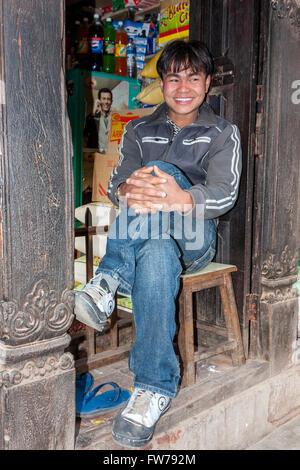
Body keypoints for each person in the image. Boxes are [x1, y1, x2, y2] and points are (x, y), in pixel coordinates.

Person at [75, 40, 242, 448]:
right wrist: (136, 189)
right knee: (157, 254)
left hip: (195, 235)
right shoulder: (137, 128)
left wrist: (180, 197)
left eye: (193, 77)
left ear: (206, 85)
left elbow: (225, 193)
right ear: (163, 83)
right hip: (148, 240)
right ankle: (154, 387)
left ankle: (107, 280)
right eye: (173, 77)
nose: (183, 87)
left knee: (160, 171)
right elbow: (117, 186)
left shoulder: (222, 132)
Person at [83, 87, 113, 152]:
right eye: (104, 99)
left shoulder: (115, 117)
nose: (106, 102)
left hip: (110, 154)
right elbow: (85, 132)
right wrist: (93, 112)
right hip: (96, 154)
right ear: (99, 101)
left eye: (108, 99)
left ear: (111, 102)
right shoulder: (94, 117)